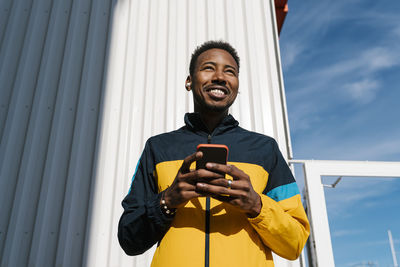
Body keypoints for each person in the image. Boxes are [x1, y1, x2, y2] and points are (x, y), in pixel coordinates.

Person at [118, 40, 310, 267]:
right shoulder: (158, 148)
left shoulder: (264, 149)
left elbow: (295, 243)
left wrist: (257, 206)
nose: (220, 76)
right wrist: (167, 201)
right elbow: (129, 240)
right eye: (208, 68)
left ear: (236, 85)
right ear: (189, 81)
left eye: (230, 71)